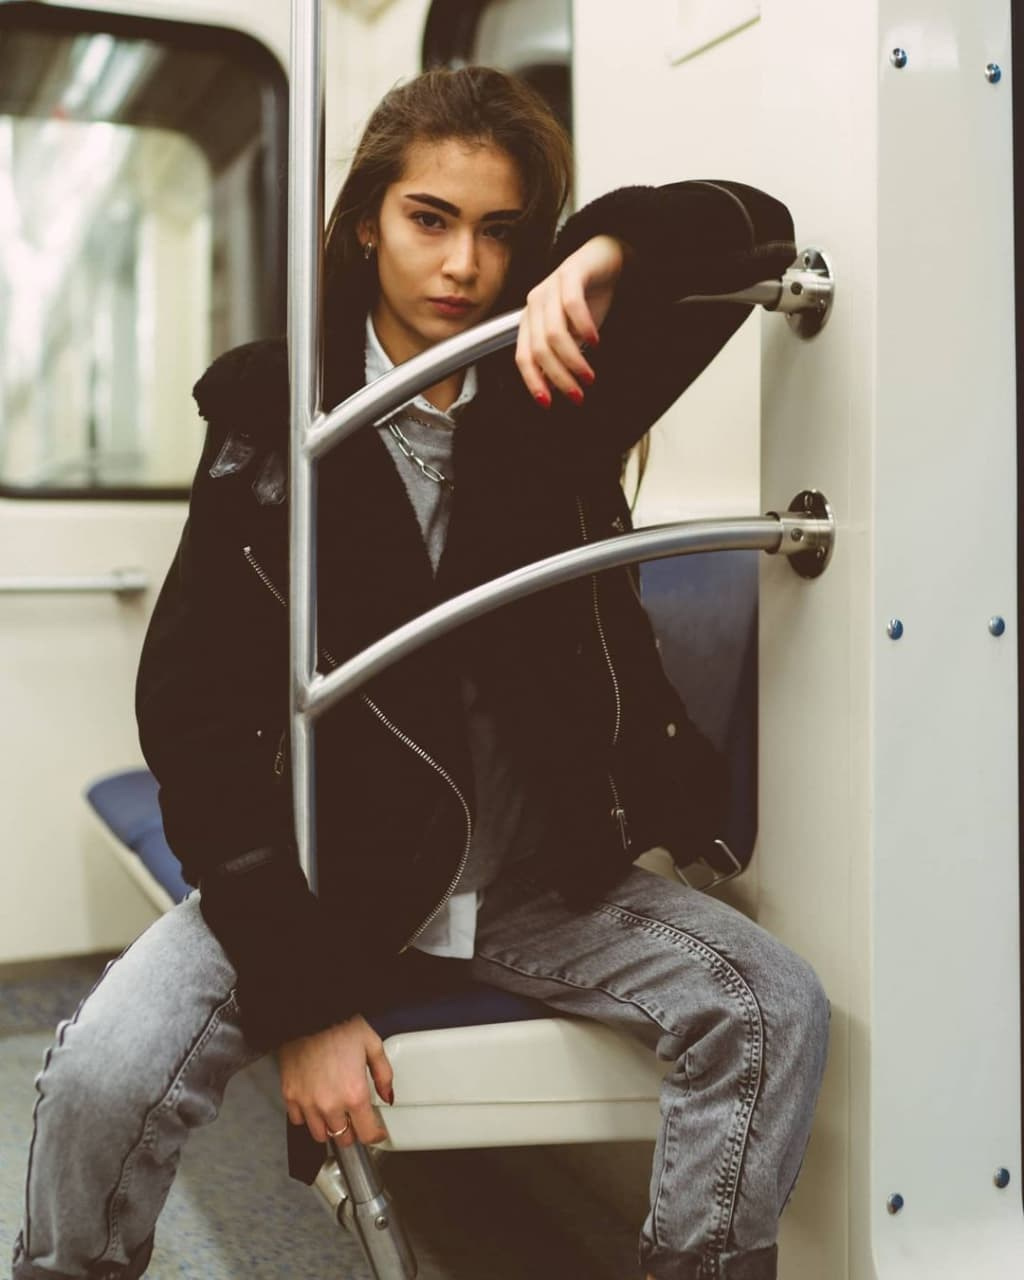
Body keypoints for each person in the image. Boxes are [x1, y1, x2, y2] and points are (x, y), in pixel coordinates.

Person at [13, 66, 828, 1280]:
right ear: (365, 223)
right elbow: (196, 716)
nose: (462, 266)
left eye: (500, 232)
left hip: (532, 881)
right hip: (326, 873)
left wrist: (603, 250)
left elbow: (753, 225)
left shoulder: (564, 387)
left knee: (772, 1006)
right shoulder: (277, 408)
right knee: (97, 1075)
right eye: (429, 220)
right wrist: (305, 998)